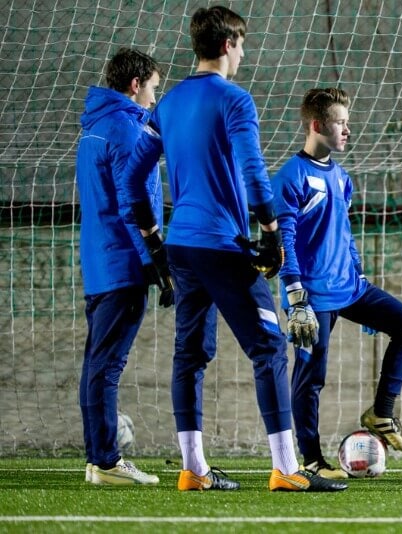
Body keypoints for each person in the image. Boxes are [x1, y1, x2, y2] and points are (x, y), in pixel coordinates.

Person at [119, 6, 346, 493]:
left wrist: (154, 242)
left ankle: (193, 469)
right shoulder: (235, 100)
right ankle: (286, 468)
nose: (243, 53)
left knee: (190, 355)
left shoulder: (168, 104)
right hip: (223, 246)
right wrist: (268, 229)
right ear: (227, 46)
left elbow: (132, 179)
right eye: (241, 45)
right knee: (268, 349)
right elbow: (252, 168)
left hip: (181, 246)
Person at [271, 87, 402, 476]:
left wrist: (359, 274)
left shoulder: (341, 177)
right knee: (312, 376)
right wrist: (295, 295)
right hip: (311, 295)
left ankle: (381, 412)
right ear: (317, 124)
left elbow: (344, 234)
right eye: (340, 122)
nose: (347, 130)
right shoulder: (291, 176)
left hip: (351, 287)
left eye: (347, 123)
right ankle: (311, 460)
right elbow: (283, 240)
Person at [77, 47, 169, 485]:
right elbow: (135, 205)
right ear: (136, 85)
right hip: (124, 263)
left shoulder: (95, 126)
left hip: (99, 263)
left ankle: (99, 457)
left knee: (96, 363)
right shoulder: (128, 130)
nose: (154, 97)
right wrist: (155, 260)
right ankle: (107, 461)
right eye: (152, 87)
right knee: (107, 366)